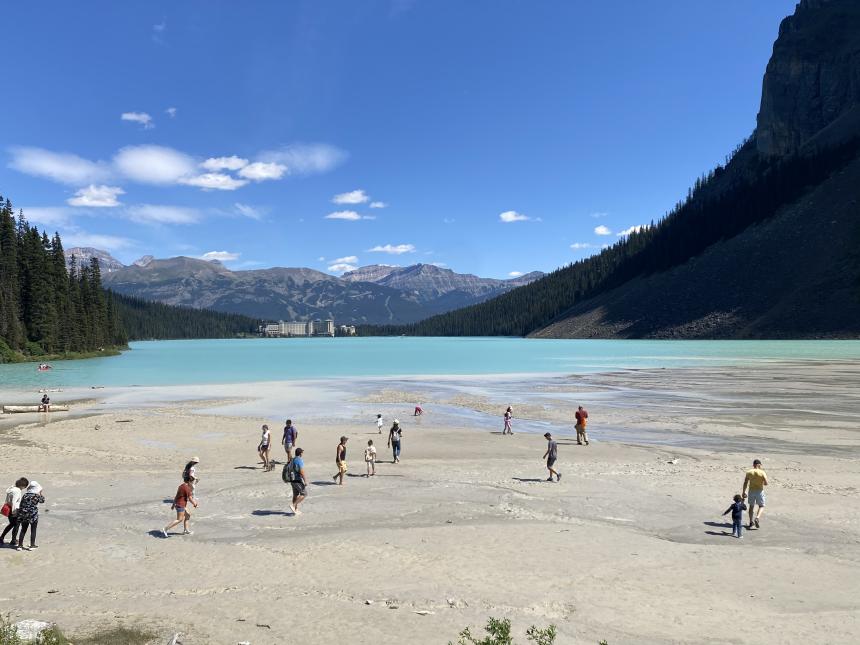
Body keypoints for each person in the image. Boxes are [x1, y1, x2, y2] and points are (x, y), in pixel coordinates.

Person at [16, 481, 45, 551]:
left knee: (23, 529)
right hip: (33, 514)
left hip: (24, 514)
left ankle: (20, 546)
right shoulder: (36, 496)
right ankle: (32, 545)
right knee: (33, 530)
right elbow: (42, 501)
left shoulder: (25, 495)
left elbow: (21, 504)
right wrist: (41, 493)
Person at [1, 477, 29, 547]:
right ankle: (13, 540)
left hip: (8, 508)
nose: (24, 488)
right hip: (13, 510)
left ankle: (1, 537)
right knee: (16, 525)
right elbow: (14, 502)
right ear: (22, 485)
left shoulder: (11, 489)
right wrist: (14, 512)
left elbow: (8, 500)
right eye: (24, 487)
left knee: (11, 524)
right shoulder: (17, 491)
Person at [742, 459, 768, 530]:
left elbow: (745, 483)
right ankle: (757, 518)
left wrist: (744, 492)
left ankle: (751, 522)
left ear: (753, 465)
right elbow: (766, 483)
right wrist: (761, 482)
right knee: (761, 505)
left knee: (751, 506)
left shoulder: (749, 472)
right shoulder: (762, 472)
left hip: (751, 491)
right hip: (759, 491)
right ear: (759, 465)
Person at [289, 447, 307, 515]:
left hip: (292, 480)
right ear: (300, 453)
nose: (302, 453)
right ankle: (293, 505)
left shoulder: (293, 459)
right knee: (304, 493)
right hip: (297, 480)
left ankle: (295, 510)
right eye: (302, 452)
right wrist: (305, 481)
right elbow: (302, 471)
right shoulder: (299, 460)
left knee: (295, 495)